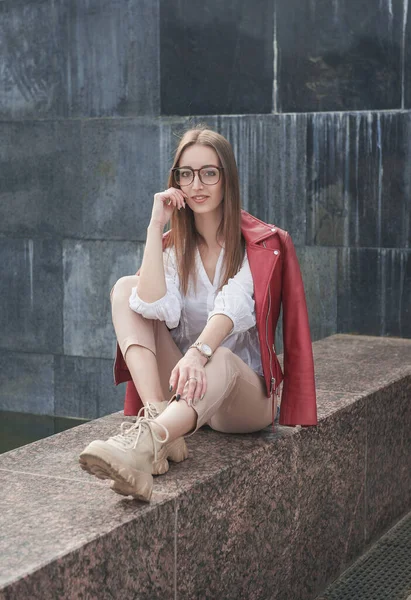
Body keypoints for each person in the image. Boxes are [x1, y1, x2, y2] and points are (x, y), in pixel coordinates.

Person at [79, 126, 317, 502]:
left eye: (209, 172)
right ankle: (161, 426)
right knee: (126, 289)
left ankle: (148, 442)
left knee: (219, 356)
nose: (197, 184)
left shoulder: (259, 244)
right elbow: (154, 307)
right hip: (187, 391)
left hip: (244, 396)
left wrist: (197, 352)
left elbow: (232, 308)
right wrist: (156, 225)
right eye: (185, 174)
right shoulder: (175, 248)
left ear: (226, 179)